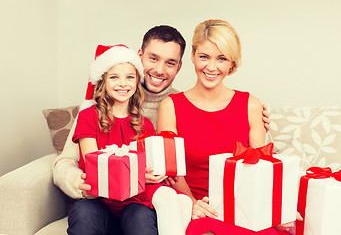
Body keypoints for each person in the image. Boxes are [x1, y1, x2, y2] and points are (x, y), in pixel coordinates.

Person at [52, 25, 271, 235]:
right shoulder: (95, 108)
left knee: (144, 216)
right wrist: (84, 185)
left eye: (170, 63)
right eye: (153, 58)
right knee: (88, 215)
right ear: (139, 56)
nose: (159, 70)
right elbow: (66, 162)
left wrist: (261, 125)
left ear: (180, 66)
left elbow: (249, 153)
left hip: (141, 205)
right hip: (98, 201)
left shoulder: (174, 104)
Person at [157, 19, 297, 235]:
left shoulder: (251, 105)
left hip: (245, 212)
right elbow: (172, 174)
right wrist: (193, 204)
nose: (211, 67)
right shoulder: (171, 107)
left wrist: (276, 212)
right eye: (204, 57)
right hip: (201, 210)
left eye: (221, 59)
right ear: (193, 56)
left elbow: (261, 172)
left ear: (232, 63)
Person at [68, 44, 192, 235]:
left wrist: (160, 173)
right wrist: (136, 176)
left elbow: (148, 168)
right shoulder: (88, 117)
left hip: (133, 202)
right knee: (83, 213)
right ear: (102, 81)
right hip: (98, 200)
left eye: (130, 77)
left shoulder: (144, 124)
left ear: (137, 81)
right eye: (114, 77)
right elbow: (96, 166)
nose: (123, 84)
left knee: (142, 217)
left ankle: (177, 205)